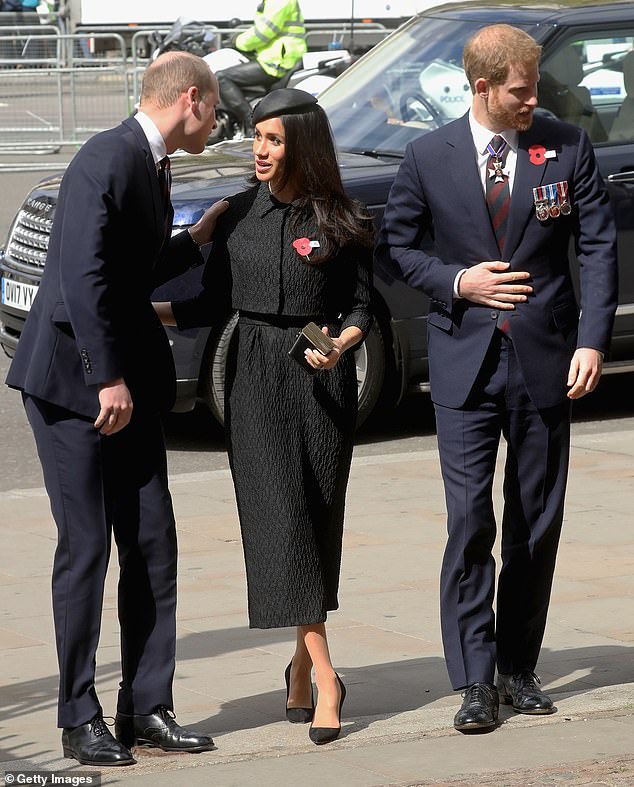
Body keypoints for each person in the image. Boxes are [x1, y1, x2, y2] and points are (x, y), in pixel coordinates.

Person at [376, 24, 618, 733]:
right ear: (480, 87)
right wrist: (458, 280)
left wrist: (592, 340)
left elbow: (597, 245)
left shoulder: (566, 145)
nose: (532, 99)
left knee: (535, 523)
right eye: (519, 89)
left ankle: (518, 664)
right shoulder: (427, 157)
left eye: (533, 86)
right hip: (465, 364)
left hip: (546, 359)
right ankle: (475, 678)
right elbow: (397, 247)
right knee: (469, 520)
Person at [5, 51, 227, 766]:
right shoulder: (107, 157)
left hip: (119, 384)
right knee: (86, 549)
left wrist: (190, 243)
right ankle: (78, 715)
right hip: (76, 387)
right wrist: (107, 379)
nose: (219, 122)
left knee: (153, 542)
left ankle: (145, 705)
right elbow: (82, 278)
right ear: (189, 98)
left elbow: (127, 266)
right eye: (216, 108)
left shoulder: (151, 161)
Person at [155, 88, 374, 745]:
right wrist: (143, 313)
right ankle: (330, 678)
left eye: (274, 140)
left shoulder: (342, 216)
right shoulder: (237, 212)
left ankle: (299, 668)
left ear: (302, 146)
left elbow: (361, 307)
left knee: (316, 519)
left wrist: (339, 344)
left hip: (317, 364)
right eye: (257, 137)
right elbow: (208, 302)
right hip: (252, 374)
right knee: (282, 522)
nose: (260, 149)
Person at [217, 0, 307, 135]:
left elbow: (263, 32)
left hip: (278, 60)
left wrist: (237, 41)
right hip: (276, 56)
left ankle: (251, 123)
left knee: (221, 77)